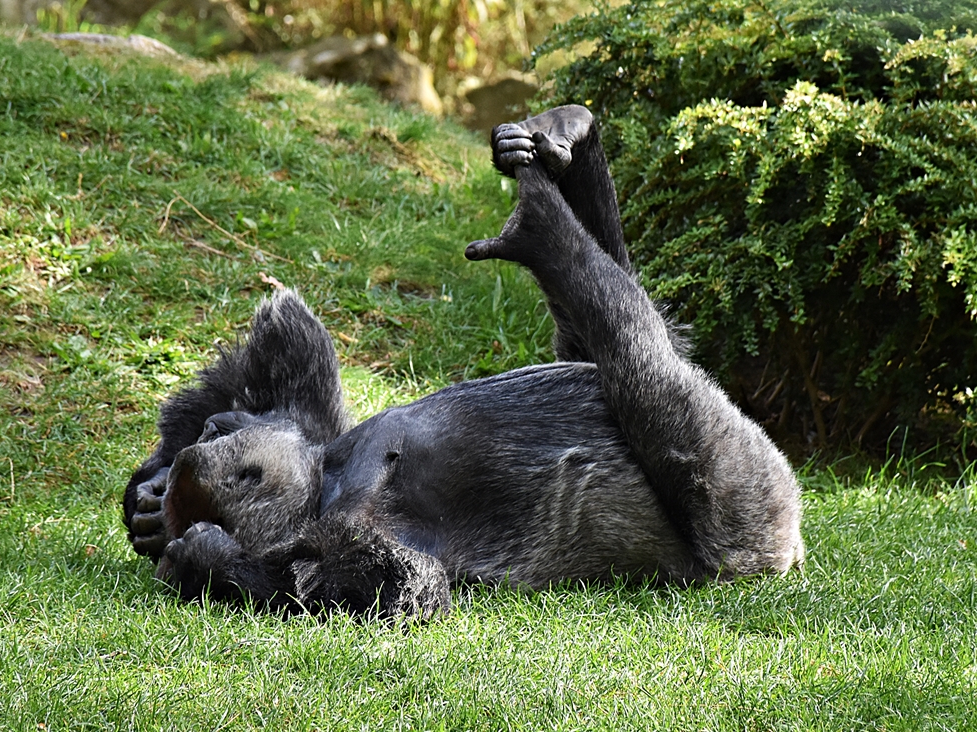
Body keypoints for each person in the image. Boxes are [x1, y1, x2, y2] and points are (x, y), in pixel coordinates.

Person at [123, 106, 804, 618]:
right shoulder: (353, 521)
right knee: (643, 376)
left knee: (620, 366)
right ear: (248, 478)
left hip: (607, 418)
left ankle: (576, 152)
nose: (224, 422)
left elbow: (288, 332)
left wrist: (160, 470)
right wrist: (223, 571)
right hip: (725, 524)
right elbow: (413, 593)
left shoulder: (318, 452)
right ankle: (552, 223)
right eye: (222, 439)